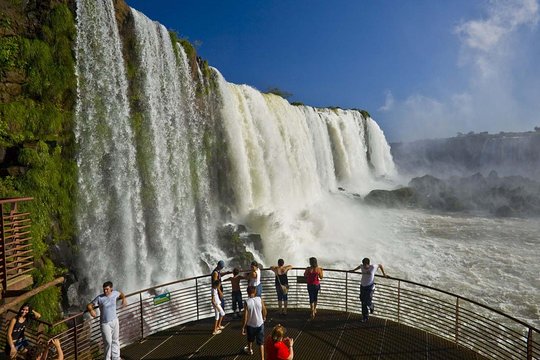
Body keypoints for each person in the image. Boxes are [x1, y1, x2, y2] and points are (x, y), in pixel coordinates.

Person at [87, 281, 127, 360]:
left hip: (115, 320)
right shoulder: (100, 298)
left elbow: (121, 293)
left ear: (111, 289)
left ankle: (116, 358)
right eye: (104, 289)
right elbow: (89, 305)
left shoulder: (115, 293)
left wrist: (124, 299)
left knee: (115, 340)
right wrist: (91, 310)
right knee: (108, 342)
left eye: (107, 289)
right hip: (105, 323)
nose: (105, 291)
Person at [352, 257, 388, 322]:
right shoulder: (362, 266)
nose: (364, 267)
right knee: (363, 302)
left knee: (367, 301)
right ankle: (365, 317)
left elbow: (380, 265)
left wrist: (384, 274)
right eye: (363, 265)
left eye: (365, 265)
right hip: (362, 286)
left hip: (370, 287)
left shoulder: (373, 267)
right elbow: (359, 266)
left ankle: (371, 306)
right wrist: (353, 270)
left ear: (368, 264)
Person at [242, 285, 267, 358]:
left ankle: (250, 350)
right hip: (260, 323)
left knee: (250, 339)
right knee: (261, 343)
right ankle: (262, 358)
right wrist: (264, 317)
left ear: (247, 293)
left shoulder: (247, 302)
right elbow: (264, 310)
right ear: (255, 291)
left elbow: (245, 316)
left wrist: (243, 327)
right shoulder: (259, 299)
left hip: (250, 325)